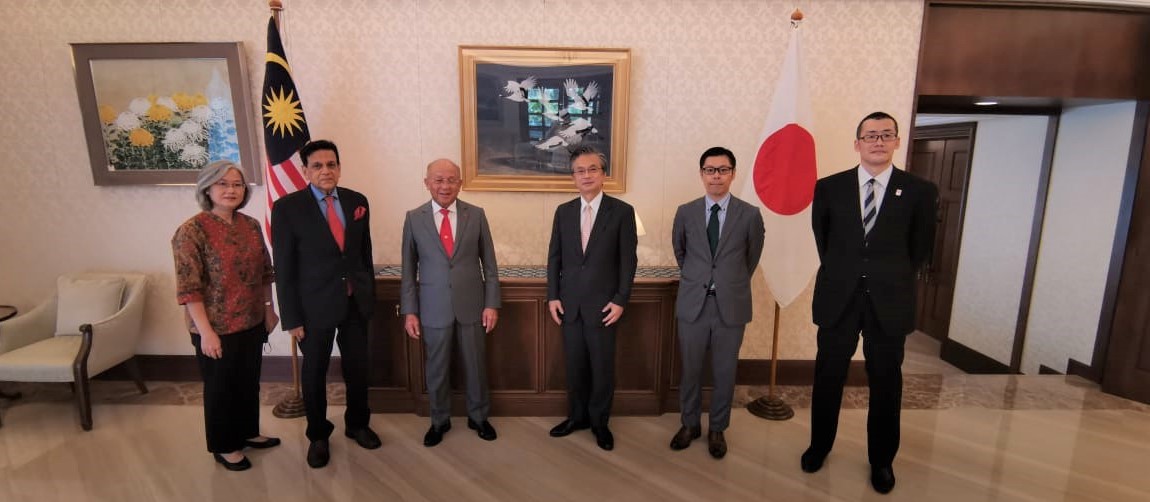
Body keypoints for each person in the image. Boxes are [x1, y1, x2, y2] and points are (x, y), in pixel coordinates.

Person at [802, 112, 938, 494]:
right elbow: (824, 241)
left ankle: (882, 461)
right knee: (828, 377)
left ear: (897, 142)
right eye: (870, 135)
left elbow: (920, 249)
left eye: (886, 135)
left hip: (889, 302)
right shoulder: (829, 188)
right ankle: (819, 446)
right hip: (838, 299)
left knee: (886, 384)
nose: (878, 141)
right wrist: (850, 271)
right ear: (857, 143)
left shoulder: (919, 191)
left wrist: (883, 274)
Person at [271, 139, 380, 469]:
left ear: (339, 167)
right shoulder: (287, 208)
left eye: (331, 164)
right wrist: (291, 317)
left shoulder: (357, 201)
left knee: (358, 368)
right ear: (305, 171)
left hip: (354, 302)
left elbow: (364, 255)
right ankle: (318, 435)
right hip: (312, 307)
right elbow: (284, 267)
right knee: (315, 372)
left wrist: (368, 296)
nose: (325, 171)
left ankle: (357, 424)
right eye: (317, 166)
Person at [172, 160, 281, 472]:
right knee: (221, 387)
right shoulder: (191, 231)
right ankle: (224, 445)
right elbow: (189, 288)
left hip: (251, 320)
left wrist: (269, 308)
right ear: (207, 188)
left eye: (237, 184)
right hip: (214, 326)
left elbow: (265, 272)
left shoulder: (250, 225)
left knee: (248, 382)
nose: (231, 190)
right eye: (222, 184)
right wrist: (205, 332)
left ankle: (247, 432)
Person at [669, 146, 764, 459]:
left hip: (730, 306)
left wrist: (727, 281)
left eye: (723, 170)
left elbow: (751, 258)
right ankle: (689, 424)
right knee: (691, 370)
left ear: (733, 174)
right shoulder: (686, 212)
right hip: (693, 304)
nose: (716, 176)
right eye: (710, 170)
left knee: (725, 372)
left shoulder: (750, 215)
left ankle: (718, 428)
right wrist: (700, 277)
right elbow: (681, 252)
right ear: (702, 174)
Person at [401, 158, 501, 447]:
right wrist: (409, 311)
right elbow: (408, 270)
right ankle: (439, 420)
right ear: (427, 183)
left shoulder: (476, 215)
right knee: (437, 368)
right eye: (438, 180)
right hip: (432, 307)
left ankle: (479, 417)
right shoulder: (414, 218)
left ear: (460, 183)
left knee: (476, 366)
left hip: (472, 305)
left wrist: (491, 304)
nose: (445, 186)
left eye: (451, 180)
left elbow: (490, 265)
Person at [546, 146, 637, 451]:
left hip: (604, 307)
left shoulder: (622, 212)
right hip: (569, 306)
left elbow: (628, 261)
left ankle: (599, 422)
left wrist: (621, 299)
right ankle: (576, 417)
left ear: (603, 174)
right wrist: (552, 296)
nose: (586, 175)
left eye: (592, 169)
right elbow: (554, 258)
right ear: (573, 176)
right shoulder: (563, 212)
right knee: (575, 367)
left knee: (601, 368)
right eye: (580, 171)